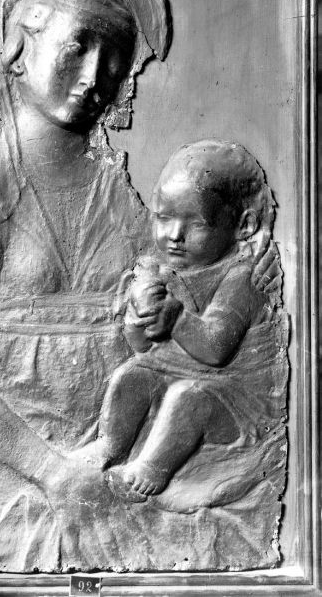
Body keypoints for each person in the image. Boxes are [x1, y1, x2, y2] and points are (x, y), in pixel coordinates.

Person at [0, 0, 284, 573]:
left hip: (117, 452)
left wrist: (159, 316)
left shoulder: (122, 199)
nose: (97, 76)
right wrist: (51, 472)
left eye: (115, 60)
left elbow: (169, 318)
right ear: (19, 48)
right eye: (78, 46)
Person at [76, 140, 281, 500]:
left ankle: (151, 469)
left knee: (188, 398)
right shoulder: (160, 270)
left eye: (196, 223)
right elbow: (142, 347)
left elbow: (216, 349)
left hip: (230, 400)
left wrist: (178, 319)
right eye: (164, 218)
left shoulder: (243, 278)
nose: (174, 235)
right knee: (132, 375)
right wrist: (138, 324)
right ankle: (110, 445)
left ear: (243, 225)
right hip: (173, 377)